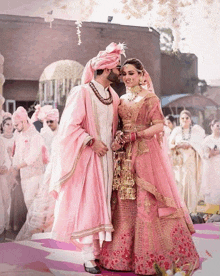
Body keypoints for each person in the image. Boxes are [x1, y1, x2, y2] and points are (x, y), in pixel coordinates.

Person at [100, 58, 199, 275]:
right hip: (124, 155)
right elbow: (118, 126)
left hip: (145, 154)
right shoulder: (122, 99)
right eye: (124, 74)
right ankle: (122, 257)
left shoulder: (150, 98)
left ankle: (152, 257)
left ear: (142, 75)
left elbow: (158, 125)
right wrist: (118, 139)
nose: (127, 77)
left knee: (146, 202)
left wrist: (137, 134)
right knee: (125, 203)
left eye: (132, 73)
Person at [49, 42, 125, 274]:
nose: (120, 71)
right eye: (117, 67)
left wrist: (117, 138)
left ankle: (99, 252)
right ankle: (88, 256)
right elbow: (69, 127)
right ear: (105, 68)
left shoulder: (113, 95)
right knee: (89, 207)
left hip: (108, 160)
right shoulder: (82, 92)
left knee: (104, 206)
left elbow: (115, 126)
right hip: (88, 159)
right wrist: (92, 141)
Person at [11, 106, 48, 210]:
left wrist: (16, 167)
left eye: (17, 125)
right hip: (24, 176)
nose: (15, 128)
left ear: (23, 121)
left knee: (32, 203)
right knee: (28, 205)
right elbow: (17, 155)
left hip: (35, 175)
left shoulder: (35, 136)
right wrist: (14, 171)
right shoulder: (19, 135)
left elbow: (32, 157)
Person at [169, 110, 205, 213]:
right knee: (180, 184)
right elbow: (169, 146)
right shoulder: (176, 131)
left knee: (190, 184)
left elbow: (200, 145)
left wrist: (191, 145)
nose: (185, 120)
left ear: (190, 119)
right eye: (182, 118)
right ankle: (181, 210)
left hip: (191, 162)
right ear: (180, 120)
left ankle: (191, 210)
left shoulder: (196, 131)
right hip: (179, 164)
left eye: (187, 118)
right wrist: (178, 146)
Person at [201, 120, 220, 206]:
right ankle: (211, 213)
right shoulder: (207, 140)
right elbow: (203, 155)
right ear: (212, 127)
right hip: (211, 168)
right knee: (212, 190)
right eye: (217, 126)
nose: (219, 128)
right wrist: (210, 154)